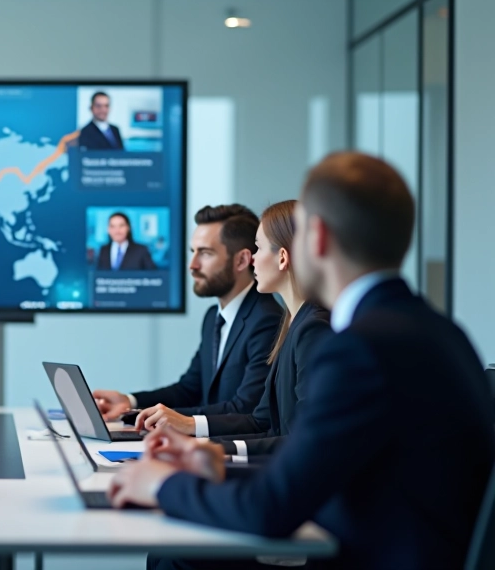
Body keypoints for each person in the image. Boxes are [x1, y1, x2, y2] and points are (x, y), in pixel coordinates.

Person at [109, 152, 495, 570]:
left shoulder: (358, 349)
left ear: (318, 238)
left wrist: (165, 486)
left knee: (179, 556)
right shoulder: (443, 333)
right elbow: (315, 471)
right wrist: (218, 468)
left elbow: (272, 509)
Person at [134, 201, 331, 458]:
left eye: (258, 248)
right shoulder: (292, 322)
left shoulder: (311, 328)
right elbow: (261, 421)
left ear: (282, 258)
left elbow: (307, 440)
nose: (253, 259)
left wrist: (209, 447)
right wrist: (202, 442)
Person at [93, 205, 283, 431]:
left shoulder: (267, 321)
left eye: (205, 253)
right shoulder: (213, 317)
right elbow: (188, 389)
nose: (192, 265)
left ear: (241, 260)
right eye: (193, 252)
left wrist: (174, 421)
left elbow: (245, 409)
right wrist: (130, 403)